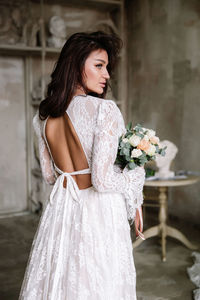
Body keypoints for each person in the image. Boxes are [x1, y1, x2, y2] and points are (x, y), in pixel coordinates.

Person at [19, 31, 145, 300]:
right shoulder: (104, 110)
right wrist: (136, 175)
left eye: (107, 67)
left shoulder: (41, 118)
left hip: (63, 210)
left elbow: (50, 175)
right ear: (76, 66)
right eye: (99, 65)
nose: (107, 74)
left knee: (63, 280)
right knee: (100, 281)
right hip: (99, 211)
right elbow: (101, 180)